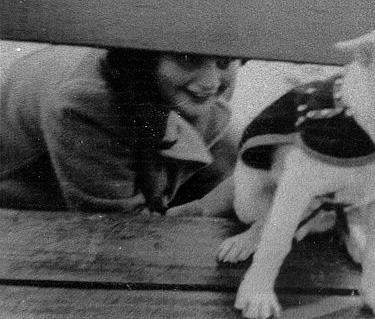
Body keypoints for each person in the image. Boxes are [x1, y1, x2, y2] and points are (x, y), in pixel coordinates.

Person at [0, 45, 241, 214]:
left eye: (223, 62)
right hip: (29, 197)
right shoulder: (87, 103)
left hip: (128, 116)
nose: (210, 83)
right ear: (143, 57)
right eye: (189, 58)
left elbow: (220, 165)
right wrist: (205, 209)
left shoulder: (191, 89)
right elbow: (118, 231)